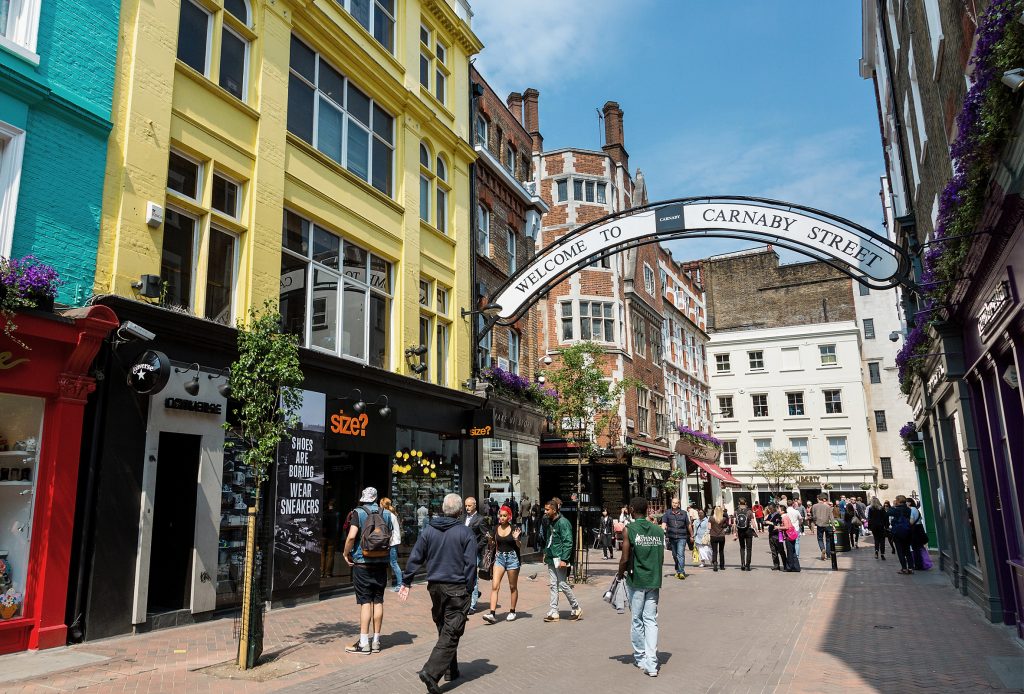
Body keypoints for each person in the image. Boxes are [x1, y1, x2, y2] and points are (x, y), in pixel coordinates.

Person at [398, 493, 477, 693]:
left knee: (445, 627)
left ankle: (451, 670)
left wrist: (407, 580)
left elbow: (416, 556)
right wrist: (469, 588)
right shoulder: (465, 532)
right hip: (456, 587)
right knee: (451, 630)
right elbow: (470, 565)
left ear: (443, 509)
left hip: (435, 587)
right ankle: (431, 672)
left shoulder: (428, 531)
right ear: (459, 511)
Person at [342, 487, 394, 654]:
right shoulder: (386, 513)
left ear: (363, 498)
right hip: (381, 562)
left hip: (362, 562)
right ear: (376, 498)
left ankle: (364, 643)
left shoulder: (358, 513)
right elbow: (390, 536)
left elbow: (351, 536)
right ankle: (377, 641)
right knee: (378, 600)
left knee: (365, 602)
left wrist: (345, 553)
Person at [617, 497, 664, 678]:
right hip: (654, 580)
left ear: (631, 509)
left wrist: (620, 574)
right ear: (647, 510)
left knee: (637, 619)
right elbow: (660, 557)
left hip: (636, 580)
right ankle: (652, 663)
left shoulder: (630, 529)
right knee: (651, 620)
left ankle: (641, 657)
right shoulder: (658, 531)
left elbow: (625, 557)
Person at [543, 499, 582, 622]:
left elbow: (568, 542)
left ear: (554, 510)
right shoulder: (550, 522)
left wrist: (564, 559)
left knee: (562, 584)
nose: (545, 512)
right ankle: (554, 611)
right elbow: (550, 539)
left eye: (547, 509)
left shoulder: (563, 523)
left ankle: (576, 607)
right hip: (551, 557)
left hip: (559, 558)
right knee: (553, 585)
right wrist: (546, 553)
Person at [482, 505, 522, 623]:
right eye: (501, 515)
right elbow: (492, 544)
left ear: (509, 517)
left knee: (512, 586)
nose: (502, 518)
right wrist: (489, 539)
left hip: (512, 558)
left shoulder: (514, 528)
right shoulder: (495, 528)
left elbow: (519, 546)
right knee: (495, 586)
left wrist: (516, 539)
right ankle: (492, 613)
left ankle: (512, 611)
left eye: (505, 516)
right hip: (499, 558)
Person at [462, 497, 486, 612]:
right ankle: (473, 595)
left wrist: (476, 547)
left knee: (473, 578)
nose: (467, 508)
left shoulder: (480, 519)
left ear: (475, 505)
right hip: (462, 552)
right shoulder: (463, 518)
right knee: (464, 576)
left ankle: (472, 605)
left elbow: (485, 536)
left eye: (469, 506)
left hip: (473, 553)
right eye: (466, 505)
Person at [661, 498, 692, 579]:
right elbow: (664, 523)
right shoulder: (667, 513)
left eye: (676, 503)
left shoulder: (684, 513)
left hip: (682, 537)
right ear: (671, 503)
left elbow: (688, 525)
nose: (674, 504)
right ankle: (678, 569)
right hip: (672, 537)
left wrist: (692, 535)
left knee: (680, 554)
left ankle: (681, 572)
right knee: (675, 555)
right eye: (673, 503)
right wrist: (661, 532)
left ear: (679, 504)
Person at [888, 495, 915, 574]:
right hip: (907, 531)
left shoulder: (896, 509)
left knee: (900, 551)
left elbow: (888, 513)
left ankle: (904, 568)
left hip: (898, 532)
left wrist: (893, 506)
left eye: (896, 500)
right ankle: (910, 568)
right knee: (907, 550)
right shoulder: (908, 509)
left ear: (898, 501)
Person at [381, 498, 403, 591]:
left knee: (393, 563)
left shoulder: (388, 515)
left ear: (383, 505)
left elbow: (388, 530)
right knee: (391, 563)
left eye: (380, 504)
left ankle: (400, 585)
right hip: (393, 541)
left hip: (392, 542)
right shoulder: (391, 514)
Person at [732, 497, 758, 570]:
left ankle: (742, 564)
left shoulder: (736, 511)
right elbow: (753, 522)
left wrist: (734, 533)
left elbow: (734, 523)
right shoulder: (749, 511)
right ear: (746, 503)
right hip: (748, 530)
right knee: (749, 548)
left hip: (740, 531)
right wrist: (756, 530)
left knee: (742, 548)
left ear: (739, 503)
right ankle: (748, 565)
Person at [322, 499, 341, 578]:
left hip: (323, 536)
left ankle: (321, 572)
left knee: (322, 553)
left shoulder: (323, 513)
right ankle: (328, 573)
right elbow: (337, 526)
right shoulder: (336, 514)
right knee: (330, 555)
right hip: (332, 536)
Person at [779, 502, 801, 572]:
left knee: (790, 551)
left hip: (789, 536)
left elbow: (786, 526)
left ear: (782, 511)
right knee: (793, 551)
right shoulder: (786, 516)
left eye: (778, 509)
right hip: (792, 534)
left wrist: (778, 527)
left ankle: (789, 567)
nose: (778, 510)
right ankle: (796, 567)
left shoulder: (784, 517)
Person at [811, 495, 833, 560]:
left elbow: (814, 516)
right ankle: (828, 555)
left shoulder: (814, 506)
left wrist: (815, 522)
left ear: (818, 499)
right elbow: (831, 517)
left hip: (819, 524)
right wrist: (833, 525)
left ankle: (823, 549)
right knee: (828, 540)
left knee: (820, 539)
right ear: (823, 499)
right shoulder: (828, 506)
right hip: (827, 524)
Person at [764, 503, 786, 570]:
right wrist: (764, 522)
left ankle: (785, 564)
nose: (769, 510)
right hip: (771, 534)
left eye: (770, 509)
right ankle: (776, 565)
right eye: (769, 509)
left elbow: (778, 524)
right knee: (773, 551)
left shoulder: (778, 515)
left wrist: (770, 523)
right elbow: (766, 522)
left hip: (778, 534)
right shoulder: (770, 515)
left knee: (781, 551)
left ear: (774, 508)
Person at [709, 505, 728, 571]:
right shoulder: (724, 519)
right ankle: (722, 566)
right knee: (721, 551)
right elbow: (726, 526)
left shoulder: (711, 518)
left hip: (713, 536)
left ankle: (715, 563)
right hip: (721, 536)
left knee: (714, 551)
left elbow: (709, 527)